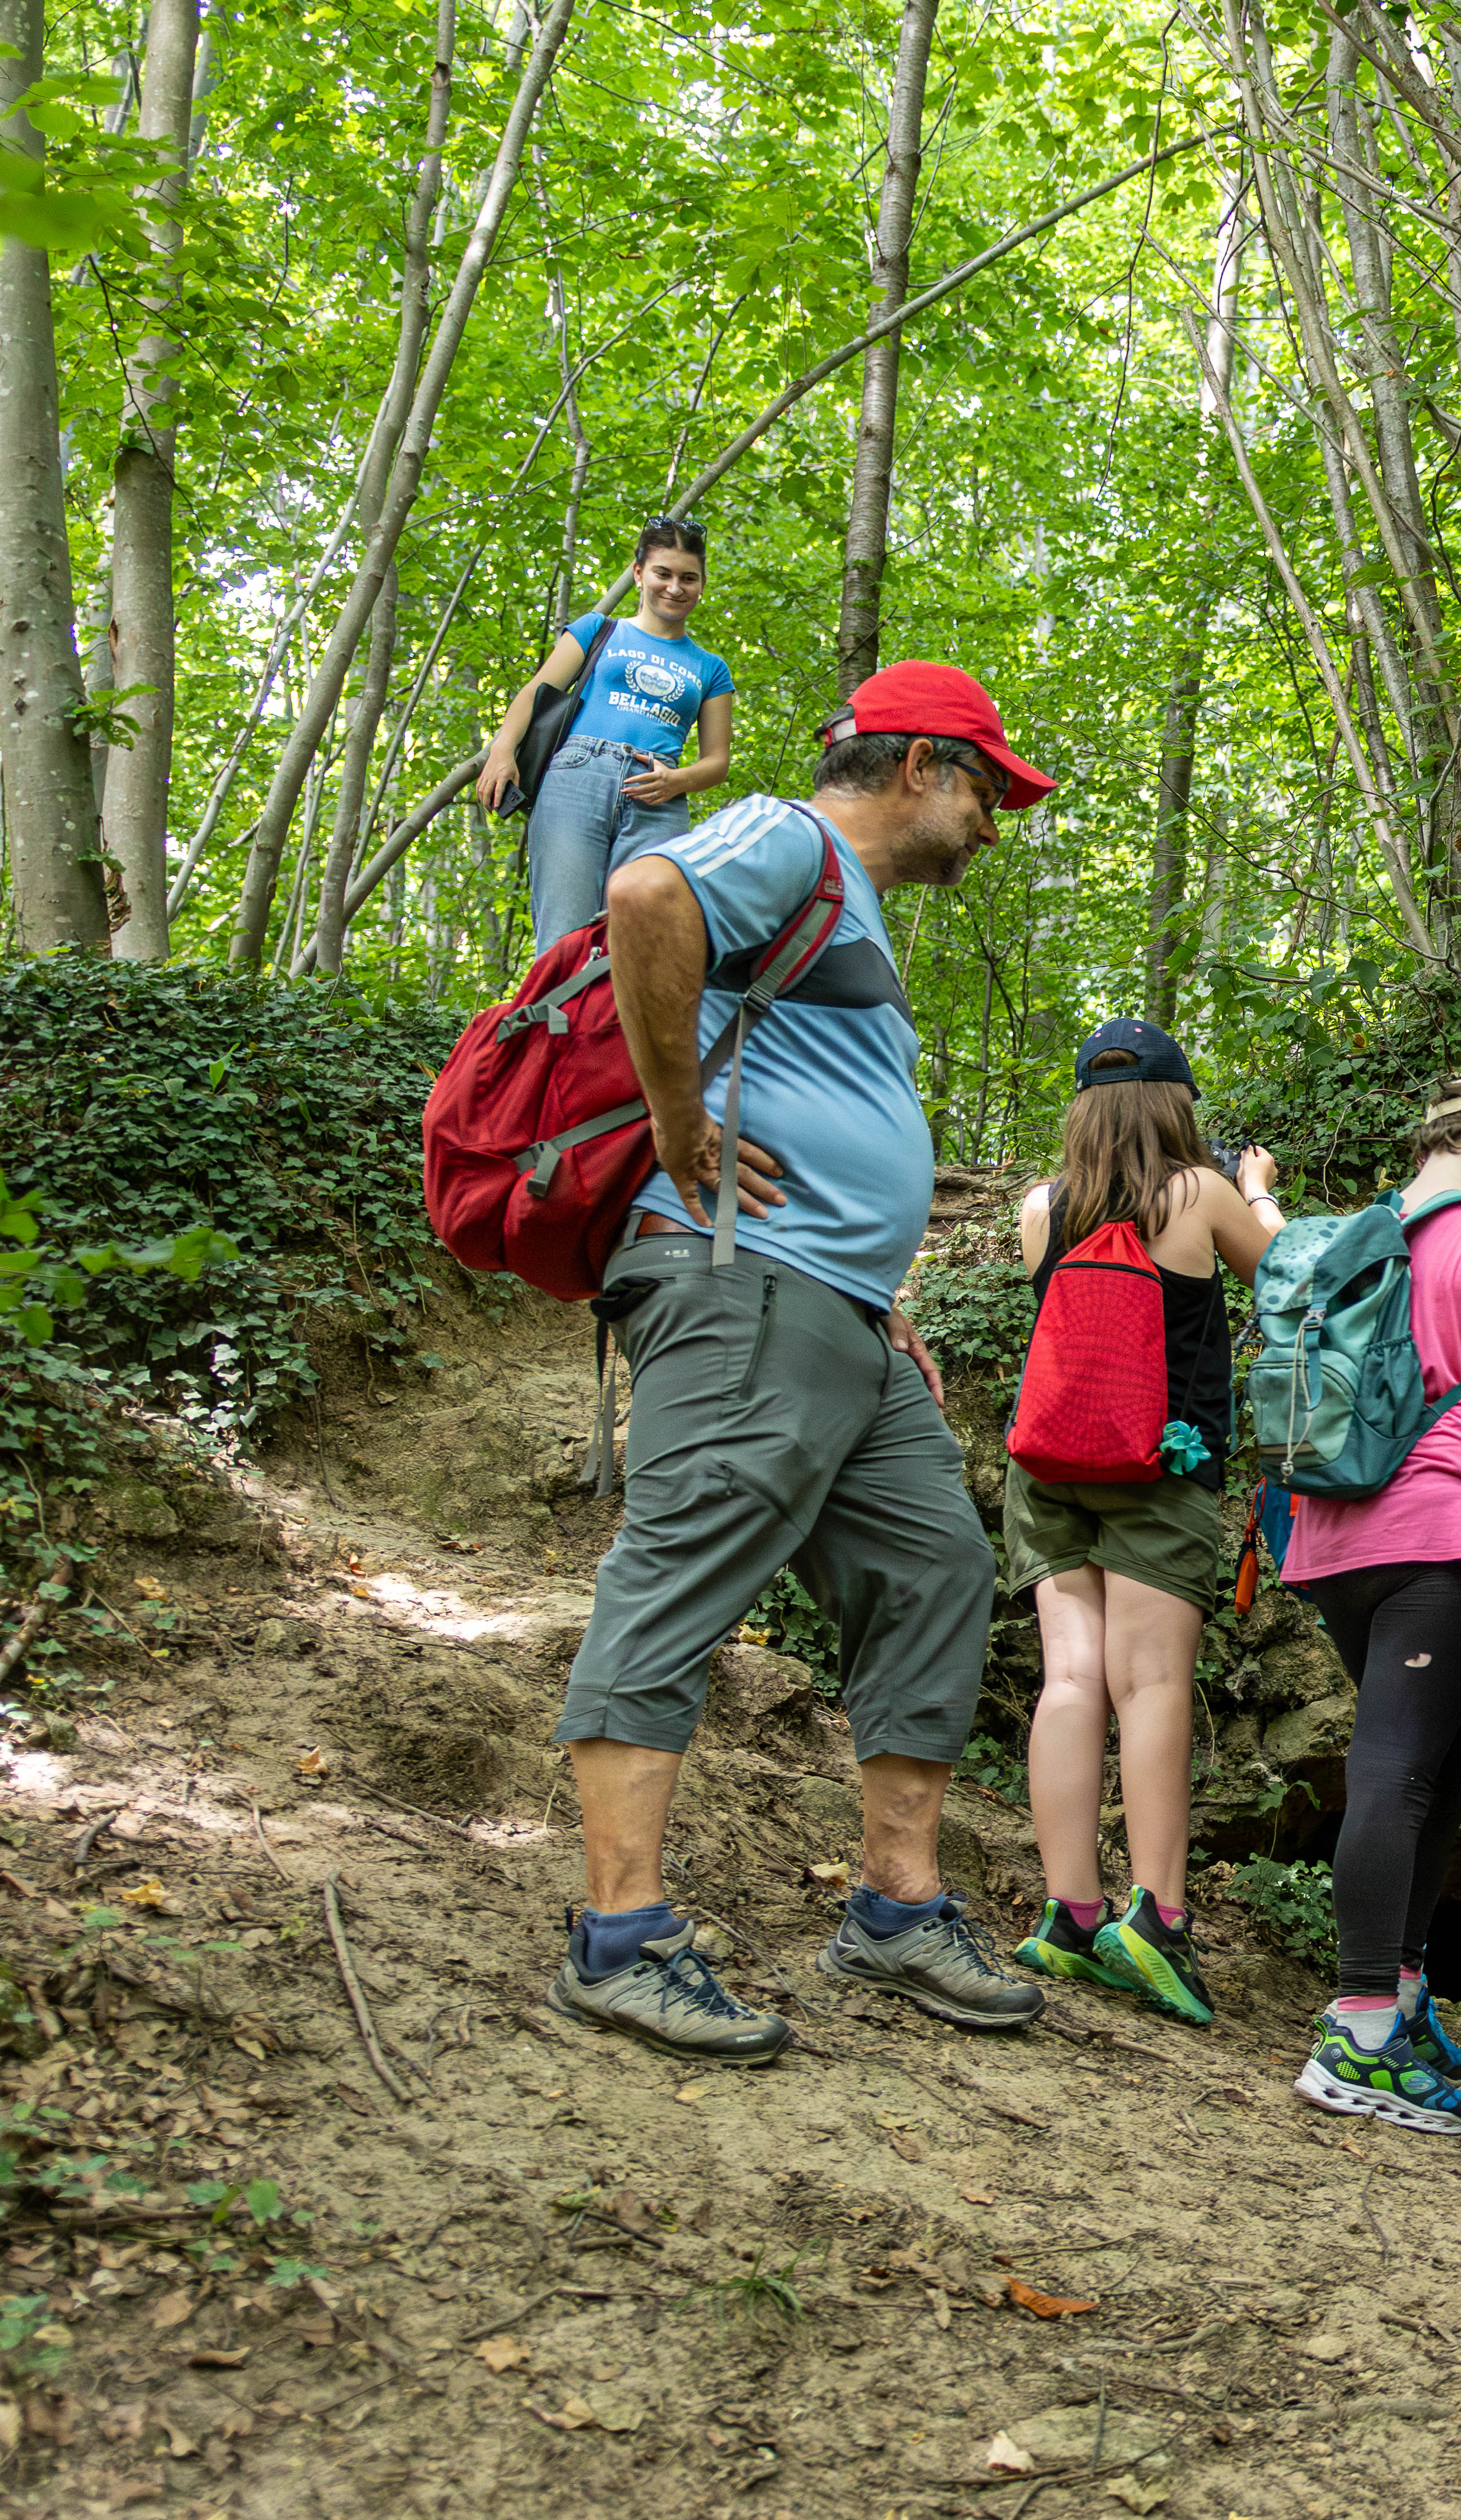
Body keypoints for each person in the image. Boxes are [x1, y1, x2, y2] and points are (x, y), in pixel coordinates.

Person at [545, 661, 1054, 2063]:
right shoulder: (787, 835)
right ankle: (620, 1934)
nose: (996, 826)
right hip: (742, 1284)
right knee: (692, 1550)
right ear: (922, 769)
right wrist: (673, 1121)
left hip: (836, 1306)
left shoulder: (845, 896)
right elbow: (646, 901)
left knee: (936, 1562)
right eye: (991, 791)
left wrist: (878, 1287)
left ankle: (895, 1909)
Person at [1286, 1078, 1461, 2134]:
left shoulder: (1352, 1240)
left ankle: (1394, 1994)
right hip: (1432, 1536)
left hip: (1326, 1532)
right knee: (1398, 1767)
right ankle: (1358, 2033)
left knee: (1436, 1757)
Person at [1000, 1018, 1278, 2026]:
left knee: (1071, 1677)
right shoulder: (1196, 1194)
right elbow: (1286, 1278)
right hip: (1162, 1468)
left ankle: (1073, 1914)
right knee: (1151, 1680)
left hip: (1048, 1470)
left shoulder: (1041, 1208)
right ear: (1175, 1105)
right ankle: (1156, 1917)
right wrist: (1256, 1190)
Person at [478, 517, 740, 949]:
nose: (675, 588)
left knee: (641, 939)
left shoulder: (711, 668)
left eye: (688, 578)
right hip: (577, 779)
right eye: (664, 573)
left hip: (659, 797)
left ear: (701, 584)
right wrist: (502, 751)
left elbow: (717, 761)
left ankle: (616, 1020)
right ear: (639, 574)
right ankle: (556, 1018)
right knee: (565, 934)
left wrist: (677, 781)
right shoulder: (599, 629)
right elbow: (535, 692)